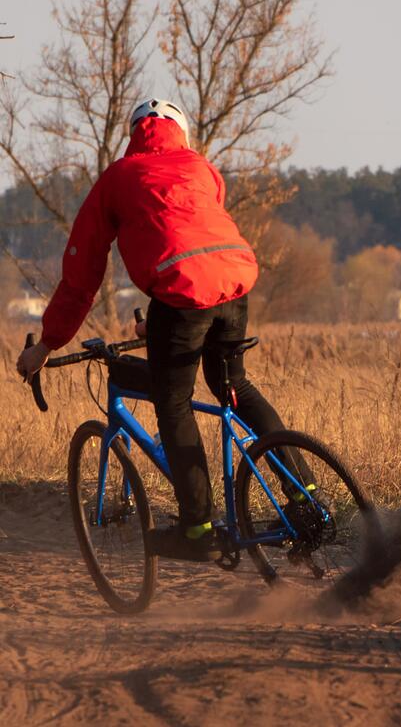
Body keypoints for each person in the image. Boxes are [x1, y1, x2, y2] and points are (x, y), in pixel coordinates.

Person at [16, 98, 304, 561]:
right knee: (234, 385)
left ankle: (198, 529)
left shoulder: (117, 179)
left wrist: (48, 343)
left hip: (182, 296)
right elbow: (194, 237)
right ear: (181, 133)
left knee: (172, 401)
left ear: (133, 135)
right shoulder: (201, 168)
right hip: (234, 286)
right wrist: (162, 321)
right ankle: (306, 494)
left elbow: (81, 276)